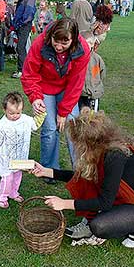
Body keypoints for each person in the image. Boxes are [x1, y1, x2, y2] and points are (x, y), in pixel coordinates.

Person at [30, 108, 134, 255]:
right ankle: (125, 219)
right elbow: (83, 177)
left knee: (99, 226)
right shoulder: (104, 148)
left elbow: (105, 202)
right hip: (124, 199)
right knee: (87, 184)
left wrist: (64, 203)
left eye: (78, 143)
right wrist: (46, 172)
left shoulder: (114, 156)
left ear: (89, 143)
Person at [20, 18, 90, 183]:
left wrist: (64, 112)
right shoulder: (40, 43)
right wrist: (35, 97)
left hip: (67, 88)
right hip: (44, 88)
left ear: (73, 40)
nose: (58, 47)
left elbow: (76, 83)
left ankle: (81, 172)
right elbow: (29, 74)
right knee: (50, 128)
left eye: (64, 44)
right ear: (50, 36)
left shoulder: (83, 50)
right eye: (55, 42)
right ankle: (49, 171)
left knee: (72, 127)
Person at [0, 92, 46, 209]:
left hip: (20, 158)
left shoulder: (25, 120)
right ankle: (2, 196)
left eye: (18, 112)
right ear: (4, 110)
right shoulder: (1, 126)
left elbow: (35, 124)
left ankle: (13, 193)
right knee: (7, 179)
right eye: (11, 113)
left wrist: (41, 114)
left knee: (17, 177)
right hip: (6, 160)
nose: (15, 116)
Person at [11, 0, 36, 79]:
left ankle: (23, 70)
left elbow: (28, 14)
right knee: (20, 47)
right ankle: (23, 69)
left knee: (21, 47)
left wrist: (20, 23)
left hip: (24, 25)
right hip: (20, 25)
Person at [79, 31, 105, 112]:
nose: (87, 46)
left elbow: (102, 74)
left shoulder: (97, 59)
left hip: (93, 93)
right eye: (84, 43)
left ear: (93, 44)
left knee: (93, 116)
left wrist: (96, 85)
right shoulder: (76, 58)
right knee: (79, 115)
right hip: (79, 94)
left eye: (90, 43)